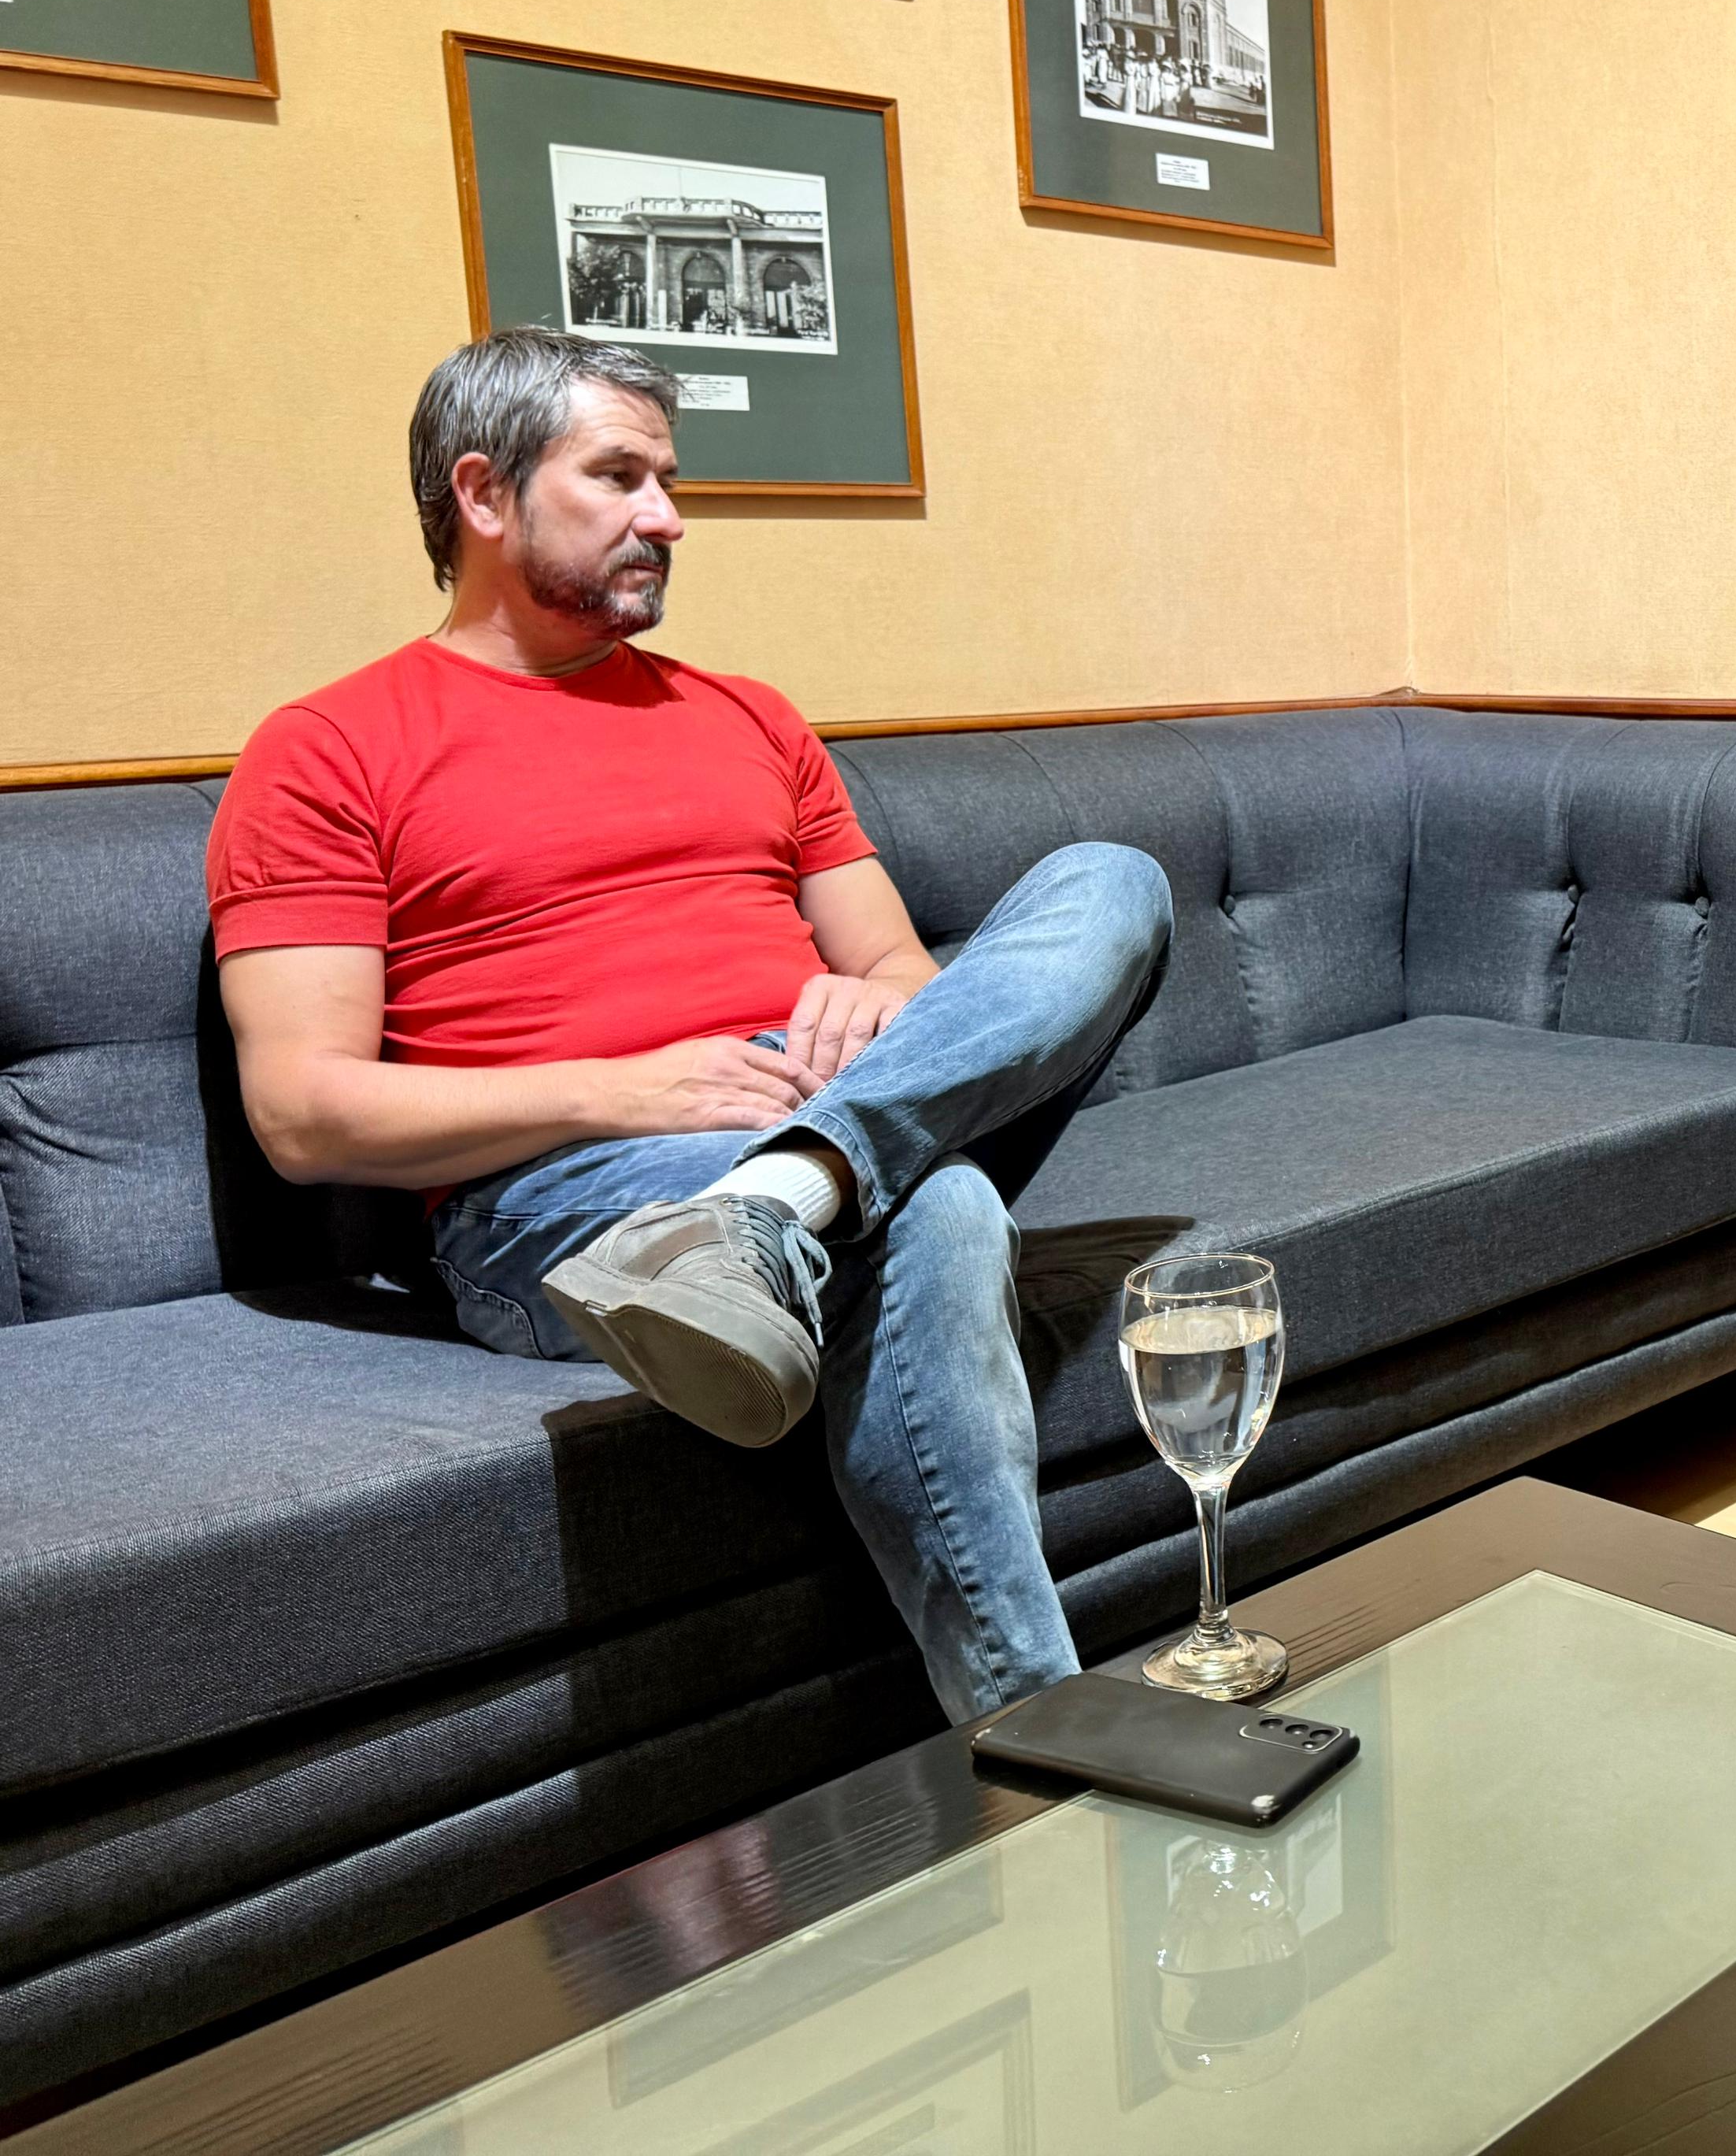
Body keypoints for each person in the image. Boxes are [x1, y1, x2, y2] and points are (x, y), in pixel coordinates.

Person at [208, 328, 1172, 1724]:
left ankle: (782, 1202)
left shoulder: (751, 719)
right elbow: (304, 1114)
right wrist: (625, 1092)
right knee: (943, 1203)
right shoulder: (329, 751)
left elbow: (908, 978)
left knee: (1115, 882)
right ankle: (1041, 1724)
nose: (666, 517)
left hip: (818, 1107)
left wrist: (875, 1002)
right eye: (619, 477)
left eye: (669, 482)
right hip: (566, 1194)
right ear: (483, 494)